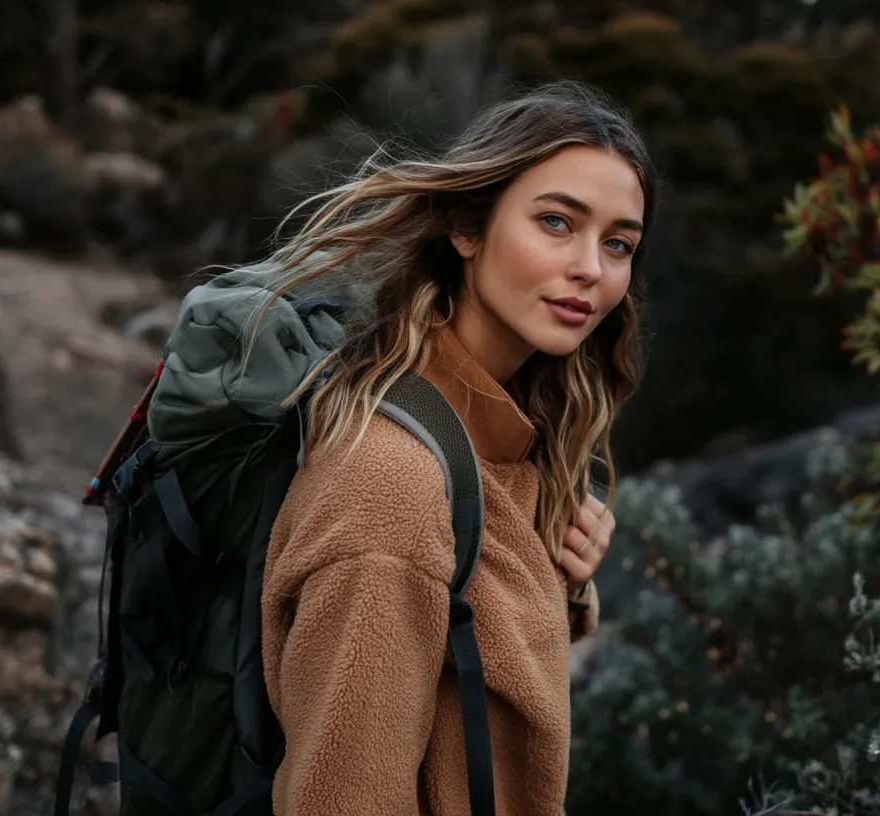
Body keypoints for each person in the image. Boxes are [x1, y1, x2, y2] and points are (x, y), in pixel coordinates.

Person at [258, 78, 657, 815]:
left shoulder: (499, 441)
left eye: (618, 244)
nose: (592, 269)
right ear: (468, 229)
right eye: (556, 222)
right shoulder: (391, 486)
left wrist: (557, 573)